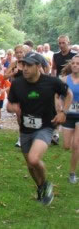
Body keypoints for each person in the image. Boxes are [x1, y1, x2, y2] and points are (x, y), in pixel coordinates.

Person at [7, 52, 73, 205]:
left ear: (38, 67)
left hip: (45, 126)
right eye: (23, 65)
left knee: (33, 158)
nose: (25, 69)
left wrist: (64, 112)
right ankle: (41, 186)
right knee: (30, 166)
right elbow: (10, 103)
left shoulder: (51, 81)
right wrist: (13, 108)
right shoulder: (18, 83)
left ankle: (47, 185)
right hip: (25, 129)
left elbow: (68, 93)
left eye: (29, 65)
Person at [52, 35, 77, 145]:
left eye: (64, 43)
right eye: (60, 43)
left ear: (68, 43)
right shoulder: (56, 56)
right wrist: (53, 81)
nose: (62, 45)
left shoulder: (74, 55)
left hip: (72, 83)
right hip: (60, 83)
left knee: (71, 107)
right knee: (57, 108)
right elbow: (53, 69)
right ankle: (56, 133)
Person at [60, 54, 79, 184]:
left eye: (77, 64)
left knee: (76, 145)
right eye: (73, 63)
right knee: (67, 146)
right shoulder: (64, 80)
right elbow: (58, 96)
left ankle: (72, 173)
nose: (75, 65)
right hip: (68, 115)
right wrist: (60, 109)